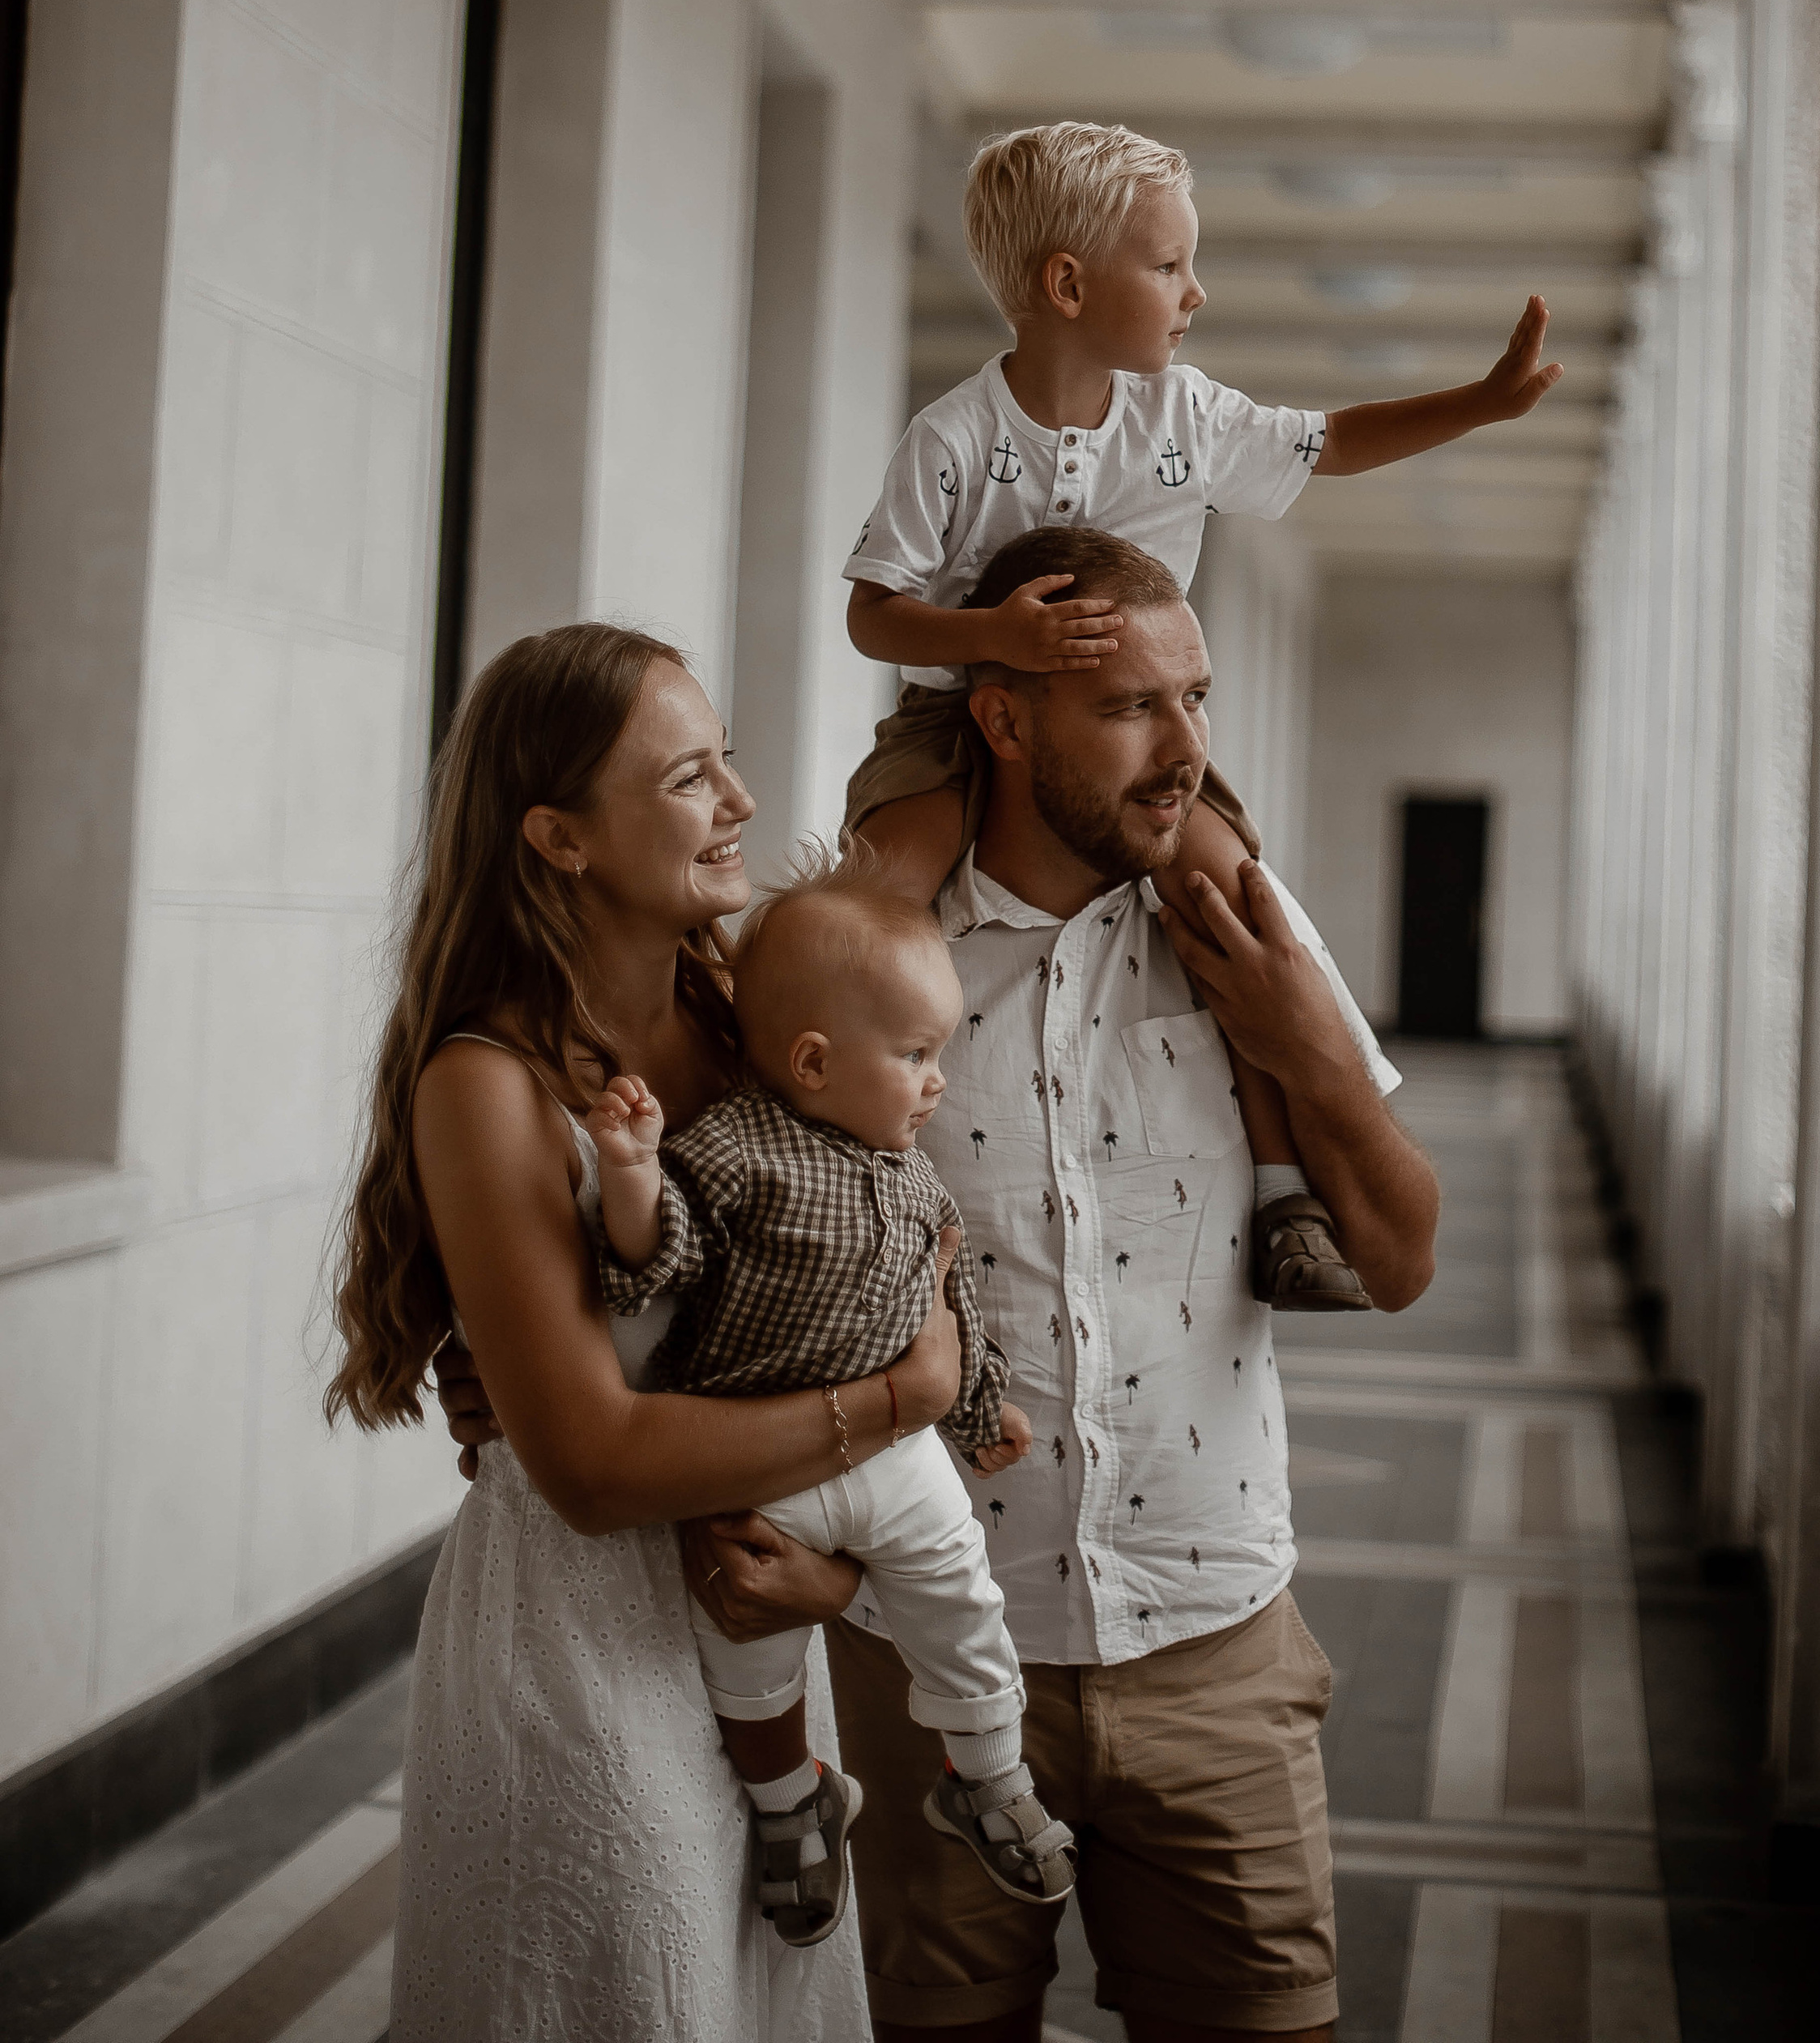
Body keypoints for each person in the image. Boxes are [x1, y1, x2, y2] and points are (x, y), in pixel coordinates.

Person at [434, 533, 1443, 2043]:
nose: (1189, 755)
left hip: (1216, 1640)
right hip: (908, 1651)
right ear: (1007, 719)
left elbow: (1404, 1257)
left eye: (1198, 700)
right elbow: (692, 1323)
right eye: (1132, 708)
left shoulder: (1238, 936)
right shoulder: (829, 988)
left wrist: (1307, 1041)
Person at [328, 621, 966, 2043]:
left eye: (727, 759)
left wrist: (839, 1569)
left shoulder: (751, 1022)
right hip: (576, 1654)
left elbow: (888, 1230)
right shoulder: (487, 1087)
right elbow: (597, 1467)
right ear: (558, 836)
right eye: (690, 777)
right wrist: (903, 1395)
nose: (740, 801)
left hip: (752, 1618)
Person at [841, 117, 1554, 1312]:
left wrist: (1479, 402)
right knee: (868, 910)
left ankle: (1285, 1195)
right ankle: (832, 1148)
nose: (1196, 292)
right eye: (1168, 265)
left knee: (1232, 901)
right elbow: (876, 614)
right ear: (1068, 284)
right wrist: (990, 644)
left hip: (1129, 742)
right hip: (957, 716)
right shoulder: (955, 439)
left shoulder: (1189, 420)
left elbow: (1331, 442)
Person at [580, 857, 1076, 1931]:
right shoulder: (735, 1155)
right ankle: (788, 1801)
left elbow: (955, 1298)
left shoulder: (916, 1175)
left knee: (963, 1599)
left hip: (897, 1459)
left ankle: (988, 1775)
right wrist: (629, 1176)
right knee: (743, 1630)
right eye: (914, 1056)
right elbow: (656, 1266)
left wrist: (983, 1410)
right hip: (763, 1449)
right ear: (813, 1060)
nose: (938, 1081)